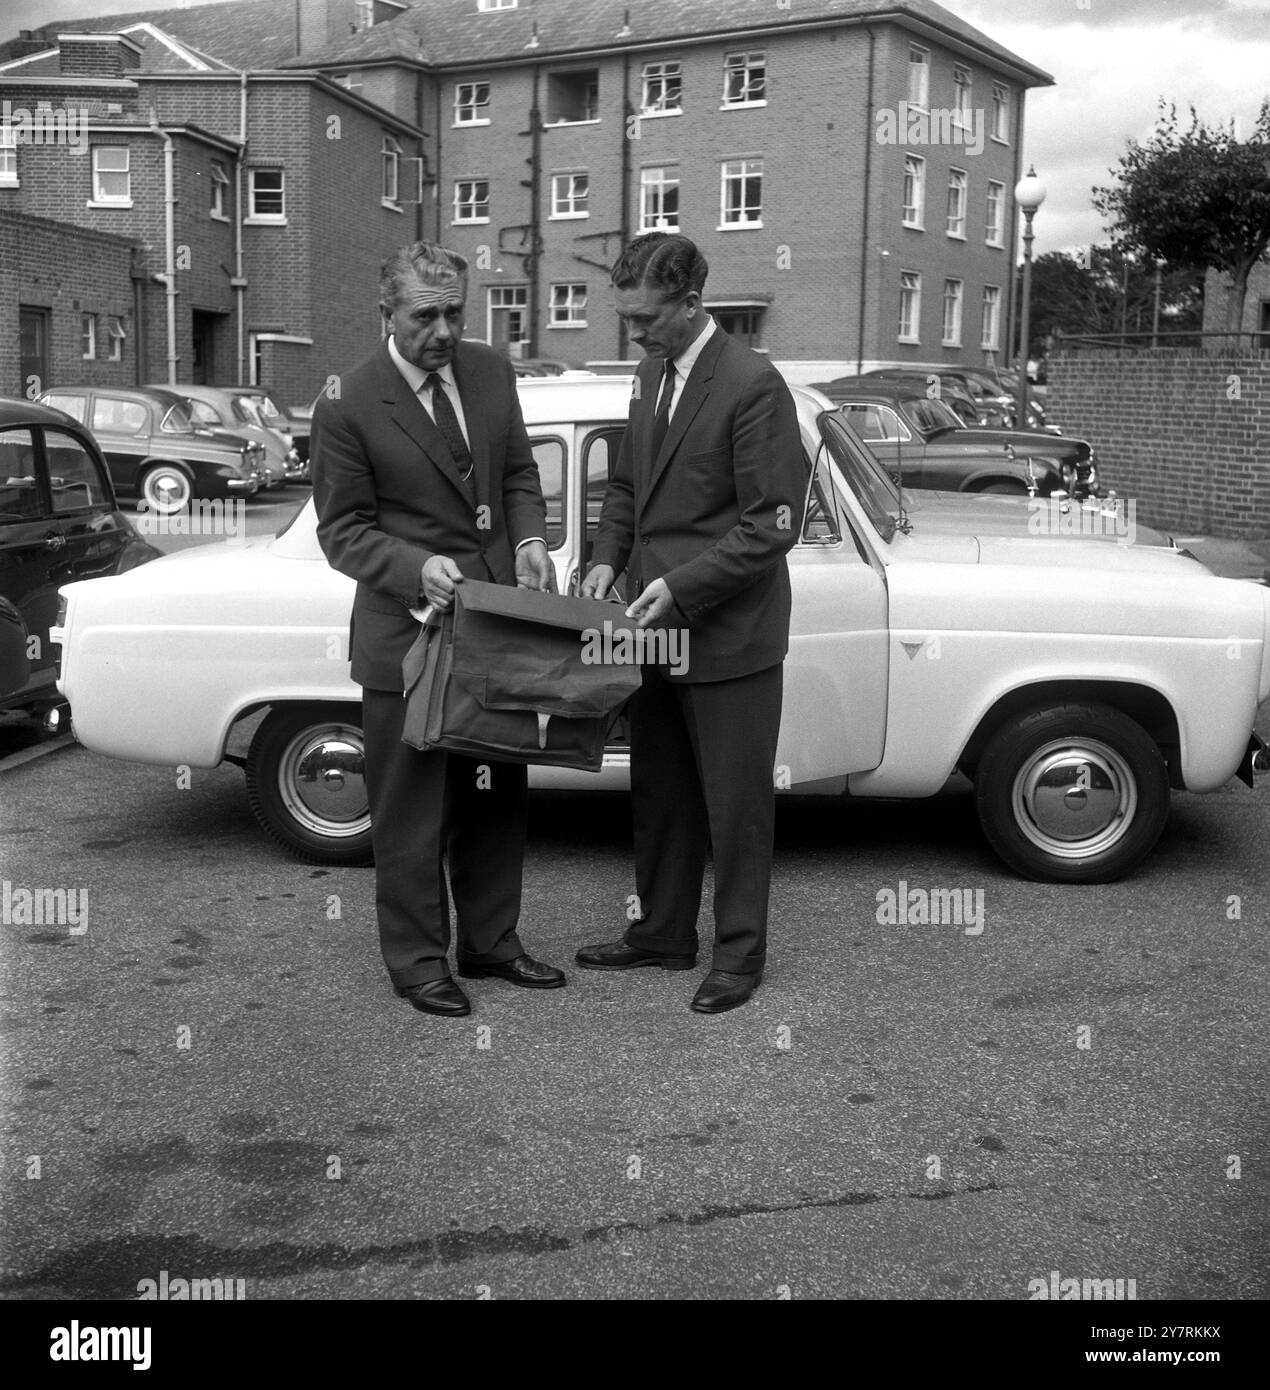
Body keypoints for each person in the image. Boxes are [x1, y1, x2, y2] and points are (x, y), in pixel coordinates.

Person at [311, 241, 564, 1018]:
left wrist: (528, 542)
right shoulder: (348, 402)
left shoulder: (490, 372)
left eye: (456, 311)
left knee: (494, 796)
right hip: (408, 644)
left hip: (491, 633)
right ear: (386, 313)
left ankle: (491, 945)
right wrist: (415, 567)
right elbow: (342, 531)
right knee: (412, 813)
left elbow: (520, 473)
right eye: (427, 315)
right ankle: (419, 964)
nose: (445, 330)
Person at [577, 232, 807, 1013]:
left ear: (692, 303)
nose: (634, 334)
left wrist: (679, 587)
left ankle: (739, 958)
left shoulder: (752, 385)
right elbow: (627, 489)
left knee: (736, 806)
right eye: (627, 319)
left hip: (727, 637)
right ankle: (664, 934)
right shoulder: (650, 376)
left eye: (646, 319)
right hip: (654, 625)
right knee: (662, 792)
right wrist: (608, 557)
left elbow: (773, 524)